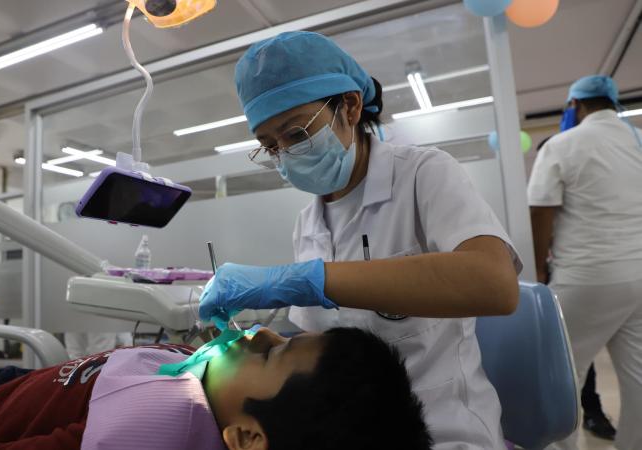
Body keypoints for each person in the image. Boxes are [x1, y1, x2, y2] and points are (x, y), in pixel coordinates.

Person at [198, 31, 521, 449]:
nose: (284, 154)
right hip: (343, 428)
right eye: (270, 146)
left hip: (441, 422)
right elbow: (316, 351)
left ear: (349, 107)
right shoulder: (308, 222)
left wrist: (304, 280)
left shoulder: (424, 174)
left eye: (295, 135)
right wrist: (260, 345)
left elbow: (495, 284)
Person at [0, 272, 432, 450]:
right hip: (34, 385)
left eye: (274, 352)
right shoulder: (216, 386)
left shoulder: (153, 431)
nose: (261, 334)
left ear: (246, 438)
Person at [528, 75, 642, 450]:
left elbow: (541, 208)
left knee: (563, 378)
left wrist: (541, 269)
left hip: (587, 275)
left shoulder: (563, 144)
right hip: (639, 273)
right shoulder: (638, 141)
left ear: (575, 105)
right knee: (638, 379)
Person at [533, 135, 616, 441]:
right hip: (572, 274)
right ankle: (584, 416)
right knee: (570, 359)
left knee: (570, 363)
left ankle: (588, 413)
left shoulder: (576, 189)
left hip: (580, 274)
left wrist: (540, 264)